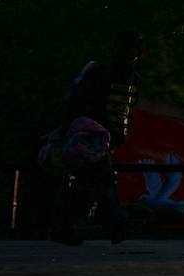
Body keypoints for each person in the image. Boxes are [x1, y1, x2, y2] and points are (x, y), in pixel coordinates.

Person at [44, 30, 144, 245]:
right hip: (93, 136)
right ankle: (116, 224)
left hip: (100, 136)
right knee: (101, 178)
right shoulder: (105, 74)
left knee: (90, 181)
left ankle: (65, 226)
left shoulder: (113, 75)